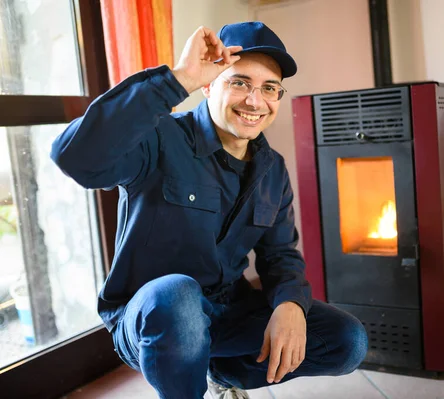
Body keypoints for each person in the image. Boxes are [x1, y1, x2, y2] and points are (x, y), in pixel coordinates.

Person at [51, 21, 368, 399]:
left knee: (347, 341)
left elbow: (281, 254)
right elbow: (74, 157)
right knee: (179, 297)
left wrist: (290, 304)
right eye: (239, 82)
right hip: (153, 316)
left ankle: (223, 373)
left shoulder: (272, 168)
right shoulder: (160, 138)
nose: (255, 101)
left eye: (270, 88)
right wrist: (177, 78)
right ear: (208, 85)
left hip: (225, 312)